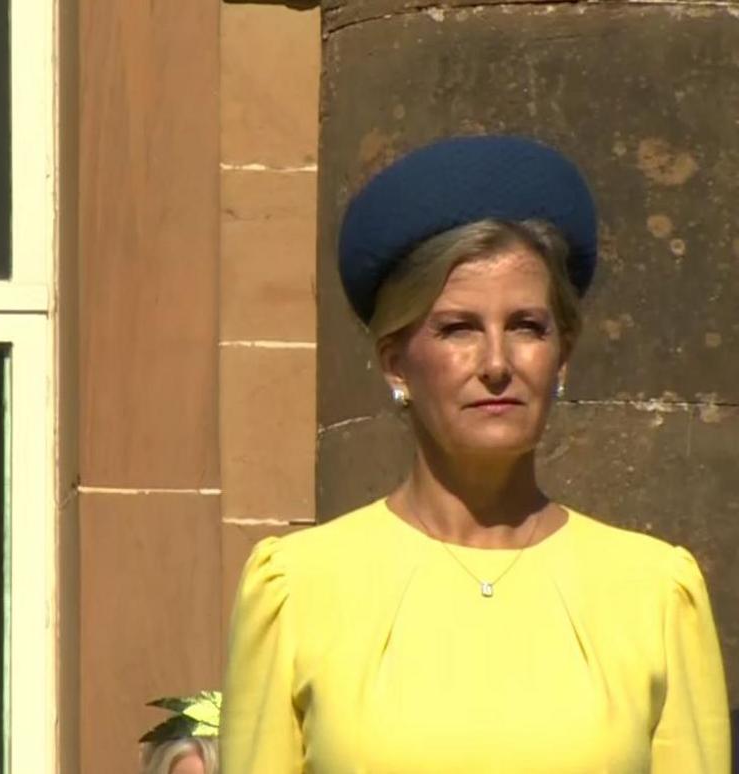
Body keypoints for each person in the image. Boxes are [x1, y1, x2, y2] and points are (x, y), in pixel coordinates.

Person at [222, 135, 730, 772]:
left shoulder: (654, 593)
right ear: (395, 363)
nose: (497, 364)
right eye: (458, 328)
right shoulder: (297, 590)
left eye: (526, 326)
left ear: (561, 356)